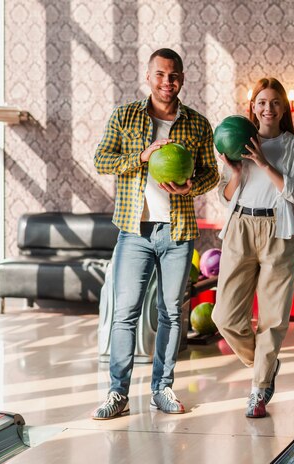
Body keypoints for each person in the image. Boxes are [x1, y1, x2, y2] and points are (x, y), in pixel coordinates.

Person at [92, 48, 219, 419]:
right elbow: (102, 159)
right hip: (134, 231)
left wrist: (191, 186)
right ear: (148, 76)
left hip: (178, 232)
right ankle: (117, 393)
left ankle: (162, 389)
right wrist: (142, 157)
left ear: (182, 78)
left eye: (175, 75)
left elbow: (212, 174)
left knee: (172, 315)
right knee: (124, 314)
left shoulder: (197, 123)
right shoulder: (126, 116)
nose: (168, 82)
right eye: (161, 75)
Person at [211, 78, 294, 419]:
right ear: (252, 107)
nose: (268, 108)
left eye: (274, 102)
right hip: (240, 227)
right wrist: (236, 172)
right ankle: (264, 365)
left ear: (284, 108)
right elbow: (223, 195)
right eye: (261, 102)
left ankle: (258, 390)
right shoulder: (237, 140)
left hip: (279, 232)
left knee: (273, 318)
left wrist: (264, 162)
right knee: (223, 316)